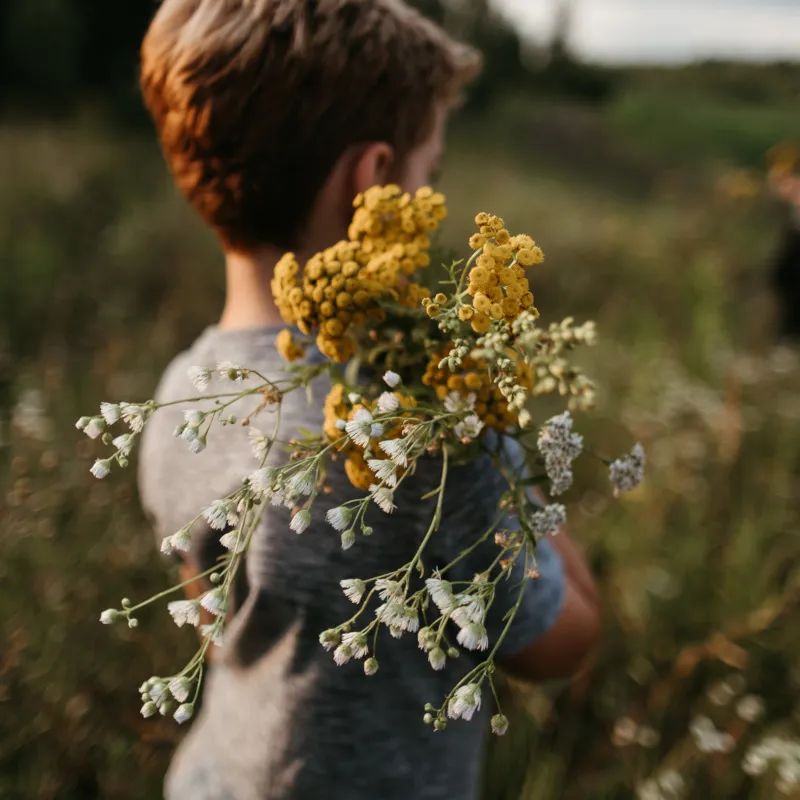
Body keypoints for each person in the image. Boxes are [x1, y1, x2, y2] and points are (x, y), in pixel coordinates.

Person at [137, 2, 599, 798]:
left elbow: (213, 625)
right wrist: (495, 446)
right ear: (375, 178)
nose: (433, 193)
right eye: (431, 174)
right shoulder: (417, 440)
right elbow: (561, 646)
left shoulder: (180, 392)